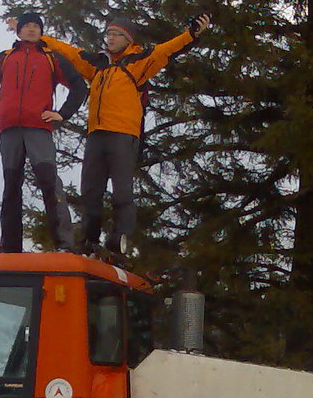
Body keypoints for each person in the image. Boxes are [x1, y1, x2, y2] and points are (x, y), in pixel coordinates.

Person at [39, 13, 211, 255]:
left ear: (127, 39)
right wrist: (40, 37)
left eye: (115, 34)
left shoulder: (139, 61)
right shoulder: (98, 64)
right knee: (90, 191)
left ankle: (118, 242)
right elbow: (69, 52)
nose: (109, 38)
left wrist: (191, 34)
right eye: (107, 34)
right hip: (97, 133)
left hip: (123, 133)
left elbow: (165, 50)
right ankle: (89, 241)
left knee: (122, 191)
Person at [0, 12, 88, 253]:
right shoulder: (5, 58)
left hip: (38, 128)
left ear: (41, 31)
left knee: (49, 182)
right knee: (11, 185)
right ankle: (10, 247)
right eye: (27, 26)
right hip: (10, 130)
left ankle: (64, 245)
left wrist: (63, 113)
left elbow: (79, 85)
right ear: (19, 31)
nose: (32, 30)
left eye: (36, 26)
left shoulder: (51, 58)